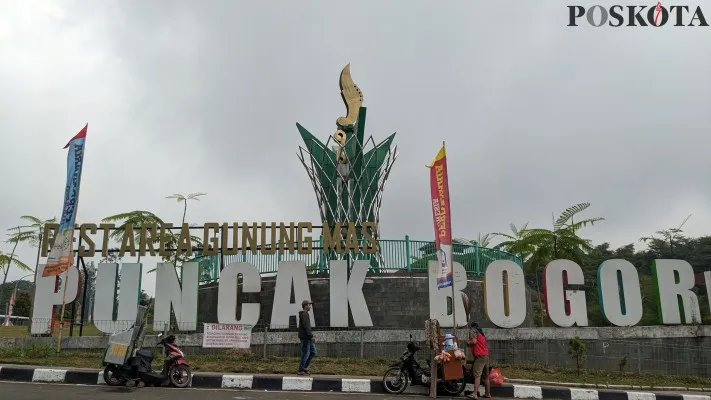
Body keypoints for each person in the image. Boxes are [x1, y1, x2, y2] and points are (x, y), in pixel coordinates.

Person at [466, 321, 491, 399]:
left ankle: (474, 394)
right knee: (486, 376)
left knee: (477, 375)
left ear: (472, 327)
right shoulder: (482, 334)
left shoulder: (473, 331)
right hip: (486, 356)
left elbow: (474, 341)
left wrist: (468, 342)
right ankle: (487, 394)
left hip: (480, 356)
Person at [297, 299, 316, 375]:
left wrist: (310, 335)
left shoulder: (305, 314)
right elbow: (306, 326)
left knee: (313, 352)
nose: (310, 306)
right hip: (306, 338)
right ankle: (301, 370)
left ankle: (304, 367)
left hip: (308, 337)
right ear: (305, 306)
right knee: (305, 353)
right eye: (309, 305)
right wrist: (311, 335)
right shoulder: (304, 314)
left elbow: (307, 327)